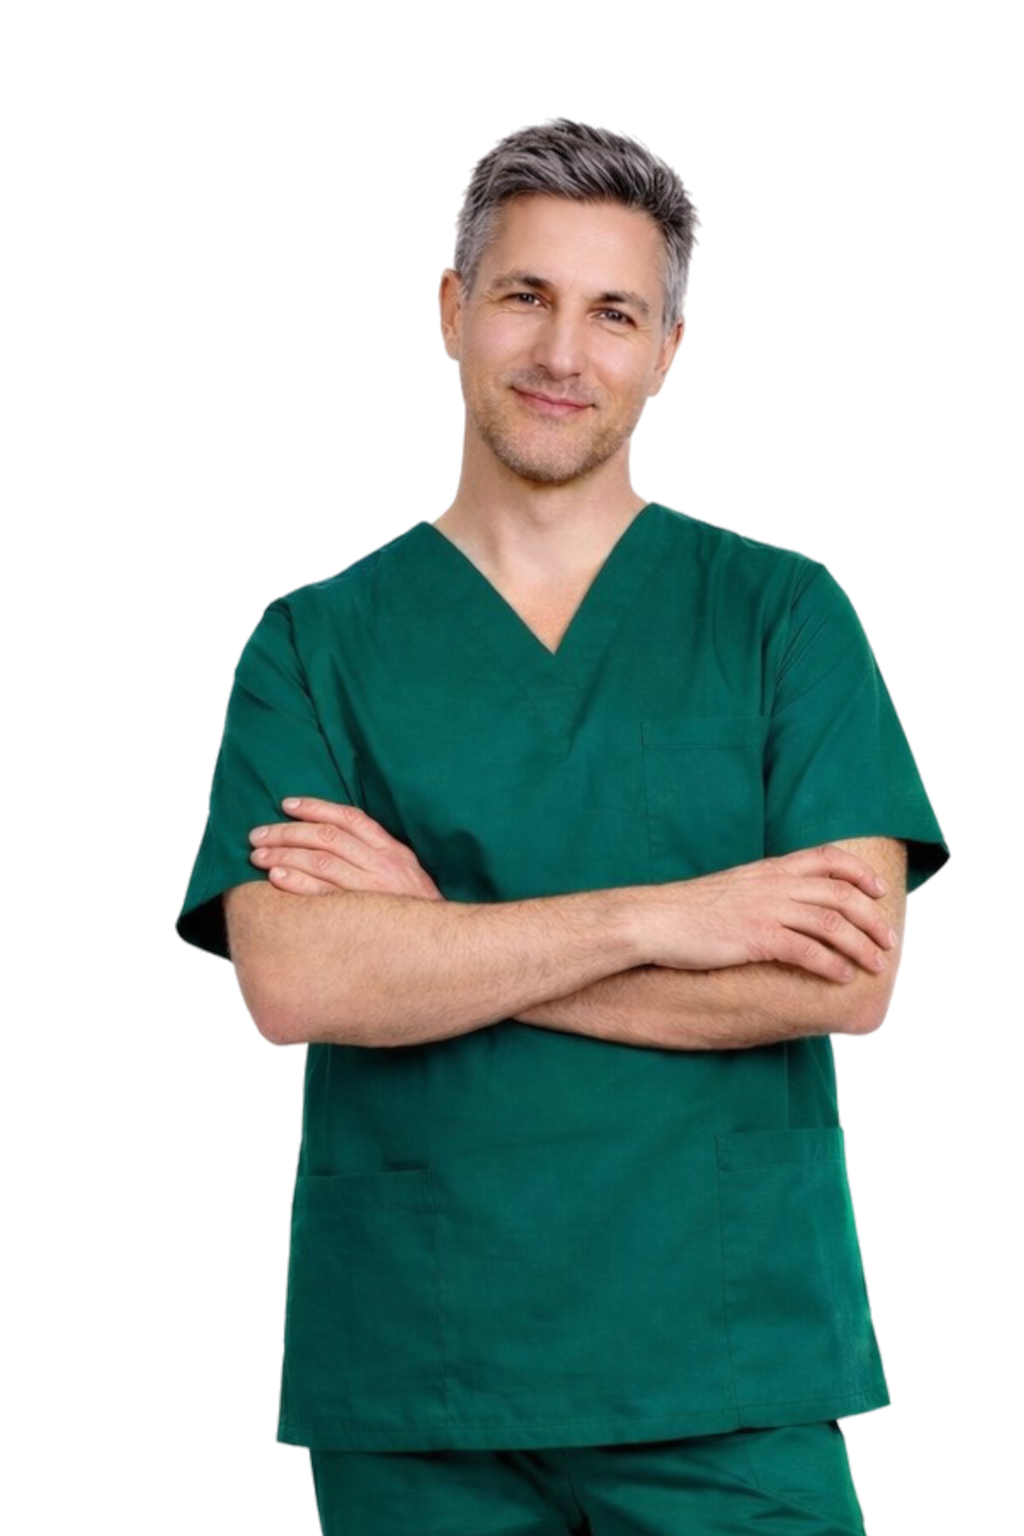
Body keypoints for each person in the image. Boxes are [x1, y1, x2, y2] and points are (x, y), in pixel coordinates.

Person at [176, 119, 949, 1536]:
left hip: (726, 1363)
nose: (562, 352)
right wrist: (670, 915)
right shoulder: (317, 646)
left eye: (615, 313)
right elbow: (296, 980)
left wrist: (435, 940)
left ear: (668, 350)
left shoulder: (781, 617)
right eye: (525, 295)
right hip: (422, 1366)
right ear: (453, 310)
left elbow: (845, 976)